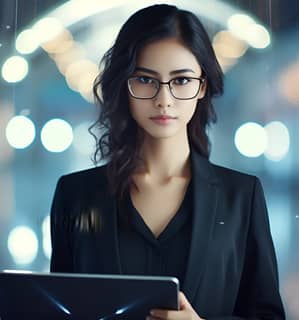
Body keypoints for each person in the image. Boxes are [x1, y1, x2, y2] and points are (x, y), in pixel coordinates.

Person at [50, 4, 286, 319]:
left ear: (202, 86)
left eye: (181, 80)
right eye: (146, 80)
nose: (164, 99)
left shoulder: (242, 196)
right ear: (125, 86)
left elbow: (268, 315)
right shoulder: (75, 196)